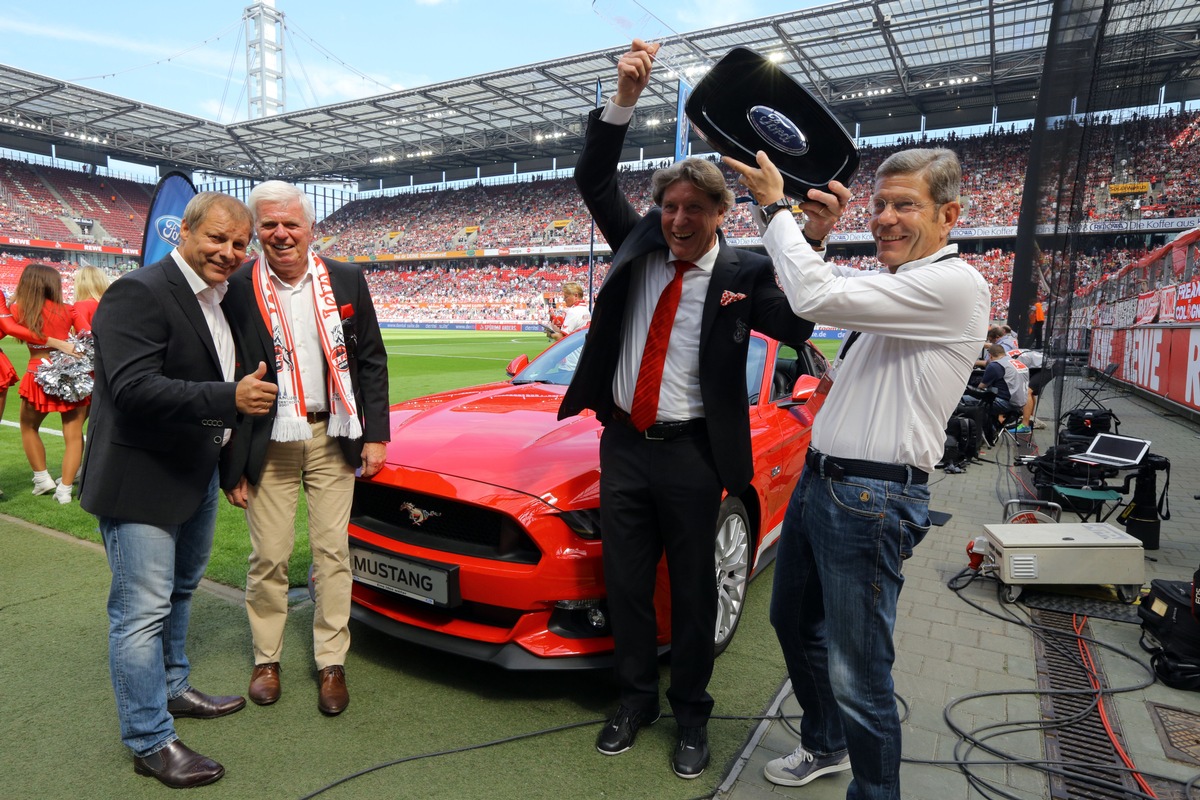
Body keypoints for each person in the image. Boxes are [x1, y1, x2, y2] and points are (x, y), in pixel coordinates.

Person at [557, 39, 814, 780]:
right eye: (669, 207)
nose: (676, 220)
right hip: (626, 445)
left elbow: (797, 325)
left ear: (718, 213)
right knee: (627, 585)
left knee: (695, 592)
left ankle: (691, 714)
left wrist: (796, 226)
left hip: (696, 455)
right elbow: (593, 176)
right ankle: (634, 699)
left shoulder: (745, 270)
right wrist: (625, 99)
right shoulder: (636, 240)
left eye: (692, 210)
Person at [725, 147, 990, 799]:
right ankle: (826, 744)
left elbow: (813, 294)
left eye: (906, 205)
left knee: (860, 672)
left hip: (871, 497)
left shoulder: (954, 284)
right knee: (792, 621)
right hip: (826, 483)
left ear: (949, 214)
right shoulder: (907, 285)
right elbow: (824, 313)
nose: (886, 219)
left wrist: (773, 205)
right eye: (879, 204)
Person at [79, 193, 278, 788]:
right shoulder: (138, 291)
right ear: (183, 231)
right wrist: (229, 398)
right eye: (217, 238)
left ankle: (173, 687)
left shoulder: (222, 299)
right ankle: (149, 739)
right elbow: (135, 388)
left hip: (192, 476)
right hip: (139, 481)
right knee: (140, 613)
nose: (229, 252)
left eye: (240, 244)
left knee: (181, 593)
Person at [222, 180, 390, 717]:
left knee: (332, 553)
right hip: (267, 439)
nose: (280, 233)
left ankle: (330, 660)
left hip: (332, 433)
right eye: (268, 224)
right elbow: (224, 370)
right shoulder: (239, 285)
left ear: (310, 227)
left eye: (290, 223)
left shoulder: (345, 278)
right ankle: (266, 657)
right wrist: (232, 463)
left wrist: (377, 434)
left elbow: (372, 361)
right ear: (256, 232)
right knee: (269, 554)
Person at [10, 263, 87, 504]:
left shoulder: (18, 309)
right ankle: (64, 490)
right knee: (74, 434)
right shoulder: (69, 309)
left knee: (28, 426)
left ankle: (42, 478)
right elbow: (87, 333)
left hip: (37, 373)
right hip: (71, 376)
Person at [976, 343, 1029, 442]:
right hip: (1021, 403)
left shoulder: (995, 365)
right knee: (989, 396)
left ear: (990, 356)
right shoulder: (1015, 362)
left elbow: (980, 387)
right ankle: (993, 428)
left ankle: (986, 434)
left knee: (969, 402)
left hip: (1007, 403)